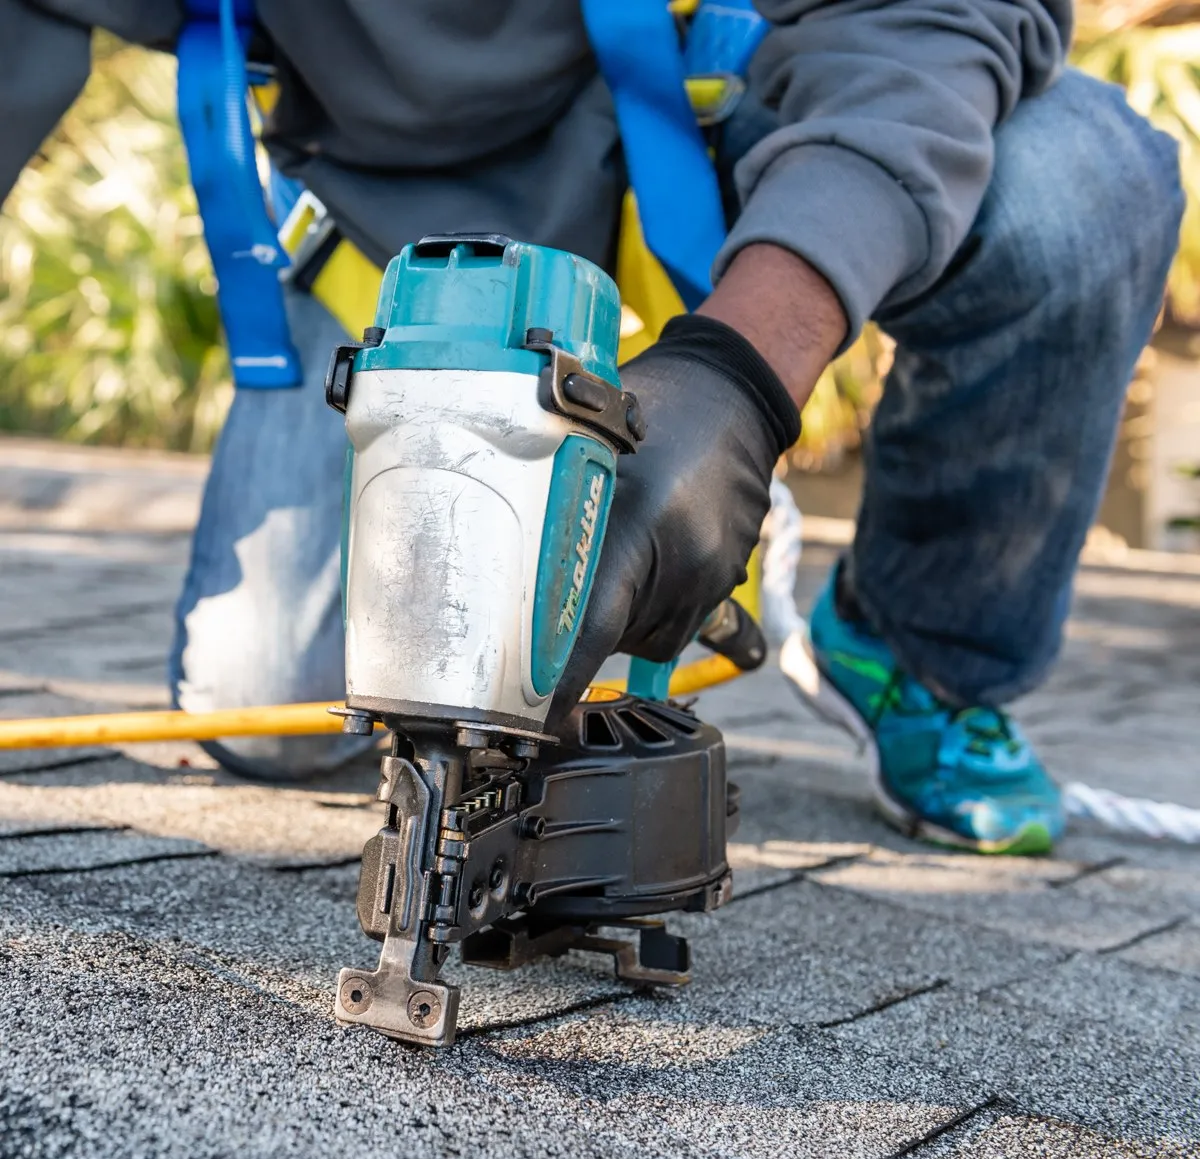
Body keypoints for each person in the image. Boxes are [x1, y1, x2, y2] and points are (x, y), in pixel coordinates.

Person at [2, 1, 1183, 854]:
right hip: (417, 191)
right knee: (275, 705)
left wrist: (744, 371)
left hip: (739, 100)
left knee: (1079, 182)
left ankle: (924, 656)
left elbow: (937, 13)